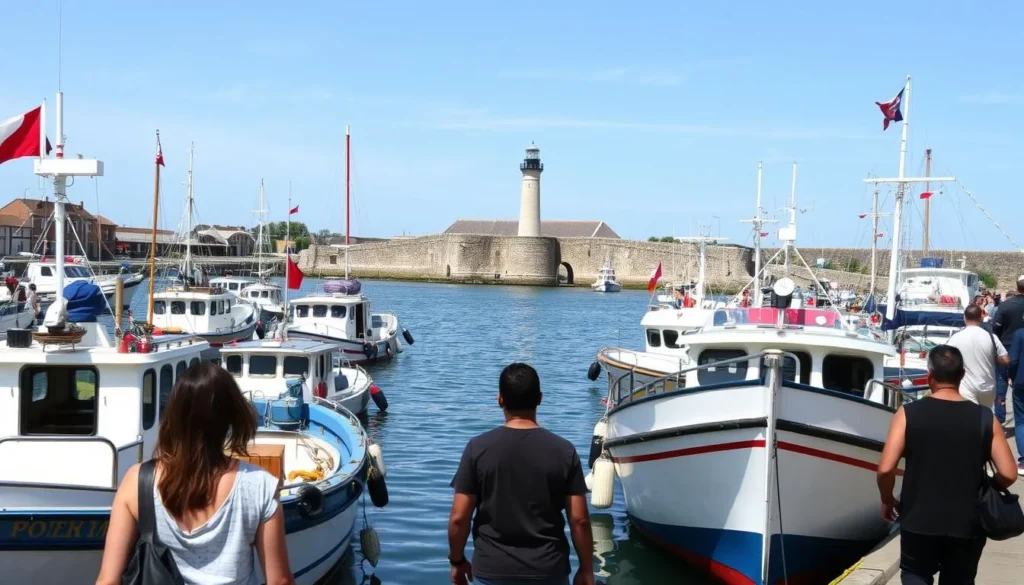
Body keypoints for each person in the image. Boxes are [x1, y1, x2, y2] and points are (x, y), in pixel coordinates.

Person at [95, 362, 295, 585]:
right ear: (231, 416)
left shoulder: (137, 482)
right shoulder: (260, 486)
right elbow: (280, 581)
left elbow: (108, 581)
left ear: (172, 414)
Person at [877, 345, 1017, 585]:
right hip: (968, 521)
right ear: (962, 374)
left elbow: (886, 468)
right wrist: (988, 485)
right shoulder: (985, 417)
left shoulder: (907, 413)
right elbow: (1009, 473)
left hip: (918, 518)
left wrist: (888, 499)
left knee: (915, 574)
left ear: (929, 376)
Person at [449, 363, 594, 585]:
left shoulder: (477, 449)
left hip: (492, 571)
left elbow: (459, 518)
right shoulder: (564, 451)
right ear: (540, 398)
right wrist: (586, 569)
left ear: (500, 399)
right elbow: (579, 520)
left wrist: (457, 561)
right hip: (549, 570)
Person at [948, 305, 1009, 408]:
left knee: (969, 418)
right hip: (988, 386)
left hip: (966, 387)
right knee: (986, 417)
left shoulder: (956, 338)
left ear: (964, 317)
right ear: (981, 318)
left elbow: (946, 359)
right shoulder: (991, 337)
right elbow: (1006, 360)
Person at [993, 278, 1024, 430]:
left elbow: (995, 328)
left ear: (1017, 287)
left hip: (1006, 349)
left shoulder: (1006, 306)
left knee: (1001, 383)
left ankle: (999, 418)